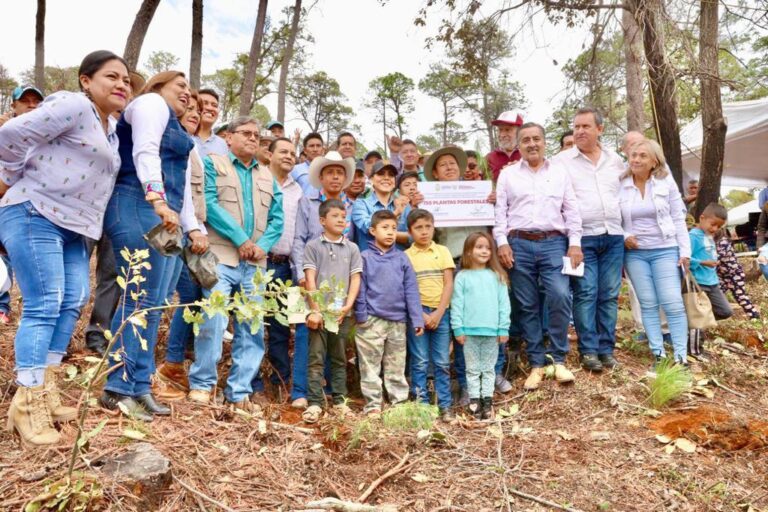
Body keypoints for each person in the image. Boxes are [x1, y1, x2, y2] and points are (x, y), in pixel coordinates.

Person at [0, 50, 130, 445]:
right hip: (35, 211)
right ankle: (27, 402)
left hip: (76, 228)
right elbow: (11, 134)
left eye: (127, 80)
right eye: (112, 76)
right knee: (45, 302)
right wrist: (8, 178)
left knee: (74, 299)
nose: (122, 84)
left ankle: (47, 388)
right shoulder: (73, 105)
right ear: (86, 80)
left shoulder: (110, 128)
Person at [100, 70, 209, 421]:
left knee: (156, 303)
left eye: (190, 90)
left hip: (167, 216)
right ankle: (117, 387)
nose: (188, 94)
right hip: (137, 202)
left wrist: (193, 228)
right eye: (181, 86)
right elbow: (145, 151)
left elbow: (183, 188)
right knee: (138, 298)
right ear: (159, 85)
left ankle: (139, 385)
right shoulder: (150, 103)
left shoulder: (180, 130)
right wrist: (156, 198)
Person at [187, 117, 284, 411]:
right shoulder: (214, 164)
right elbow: (209, 204)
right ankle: (203, 385)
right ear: (228, 137)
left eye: (256, 135)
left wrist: (261, 246)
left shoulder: (267, 175)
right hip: (221, 258)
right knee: (213, 320)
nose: (253, 138)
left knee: (252, 328)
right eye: (246, 133)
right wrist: (241, 239)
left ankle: (239, 391)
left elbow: (277, 219)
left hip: (255, 264)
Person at [494, 122, 583, 391]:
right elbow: (500, 213)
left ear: (544, 142)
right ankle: (536, 363)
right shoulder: (508, 175)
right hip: (518, 243)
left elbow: (572, 210)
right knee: (527, 304)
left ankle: (558, 358)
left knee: (559, 295)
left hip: (553, 243)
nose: (531, 144)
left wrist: (575, 243)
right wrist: (502, 243)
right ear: (519, 145)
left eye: (536, 139)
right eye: (526, 140)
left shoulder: (559, 172)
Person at [553, 108, 626, 372]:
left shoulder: (615, 160)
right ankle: (589, 351)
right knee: (585, 293)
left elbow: (626, 191)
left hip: (614, 236)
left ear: (600, 129)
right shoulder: (561, 161)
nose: (580, 131)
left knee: (609, 294)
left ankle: (606, 350)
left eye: (586, 126)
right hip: (581, 239)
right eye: (576, 127)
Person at [153, 90, 210, 401]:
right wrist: (191, 229)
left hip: (188, 231)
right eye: (190, 108)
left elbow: (192, 197)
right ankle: (152, 365)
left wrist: (196, 230)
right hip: (165, 226)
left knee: (192, 296)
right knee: (157, 294)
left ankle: (172, 362)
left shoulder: (192, 147)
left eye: (199, 110)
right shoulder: (168, 141)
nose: (195, 113)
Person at [290, 151, 356, 409]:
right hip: (306, 278)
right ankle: (300, 392)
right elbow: (298, 239)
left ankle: (326, 392)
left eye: (340, 172)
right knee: (305, 333)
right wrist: (300, 275)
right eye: (330, 172)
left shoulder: (350, 207)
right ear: (321, 176)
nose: (335, 177)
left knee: (333, 334)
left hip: (338, 285)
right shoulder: (307, 202)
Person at [620, 138, 691, 370]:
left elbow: (678, 217)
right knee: (648, 303)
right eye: (633, 155)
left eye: (643, 155)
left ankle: (681, 358)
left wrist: (685, 252)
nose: (636, 159)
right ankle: (658, 355)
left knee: (672, 302)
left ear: (654, 161)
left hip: (665, 249)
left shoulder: (665, 182)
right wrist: (624, 236)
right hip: (635, 254)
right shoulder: (621, 184)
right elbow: (612, 217)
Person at [354, 210, 424, 415]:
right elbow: (359, 288)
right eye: (385, 228)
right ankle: (373, 405)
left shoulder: (402, 258)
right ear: (372, 231)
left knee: (396, 365)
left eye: (394, 228)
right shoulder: (364, 257)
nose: (390, 232)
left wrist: (417, 318)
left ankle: (398, 404)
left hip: (397, 321)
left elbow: (411, 289)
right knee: (370, 365)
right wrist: (361, 316)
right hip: (371, 320)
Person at [301, 199, 363, 423]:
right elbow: (310, 279)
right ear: (322, 220)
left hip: (341, 313)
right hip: (319, 312)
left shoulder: (352, 248)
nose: (340, 220)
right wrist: (315, 310)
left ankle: (340, 402)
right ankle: (315, 403)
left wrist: (348, 305)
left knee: (339, 358)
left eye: (343, 217)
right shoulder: (313, 246)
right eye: (335, 216)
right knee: (316, 358)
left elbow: (355, 278)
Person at [252, 137, 301, 403]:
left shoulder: (298, 190)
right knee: (252, 324)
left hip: (285, 266)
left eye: (293, 153)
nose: (289, 156)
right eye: (283, 151)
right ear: (269, 155)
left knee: (281, 327)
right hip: (256, 262)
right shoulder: (256, 179)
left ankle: (280, 381)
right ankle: (252, 383)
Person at [451, 232, 511, 419]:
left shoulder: (497, 276)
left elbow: (504, 305)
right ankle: (474, 401)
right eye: (479, 247)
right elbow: (457, 304)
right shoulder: (462, 277)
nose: (484, 251)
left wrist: (503, 328)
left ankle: (487, 401)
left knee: (488, 368)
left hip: (492, 332)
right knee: (472, 368)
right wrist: (458, 328)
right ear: (468, 251)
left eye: (487, 248)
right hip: (469, 332)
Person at [0, 84, 46, 325]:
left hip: (37, 204)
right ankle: (2, 305)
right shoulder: (4, 131)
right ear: (14, 106)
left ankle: (34, 309)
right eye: (25, 101)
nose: (31, 105)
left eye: (36, 101)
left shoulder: (49, 134)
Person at [404, 209, 455, 421]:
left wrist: (439, 312)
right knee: (420, 361)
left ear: (434, 228)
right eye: (418, 228)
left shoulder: (442, 251)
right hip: (417, 314)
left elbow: (448, 283)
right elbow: (407, 289)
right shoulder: (406, 256)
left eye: (428, 227)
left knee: (442, 361)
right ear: (410, 232)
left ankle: (445, 405)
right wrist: (421, 315)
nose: (424, 231)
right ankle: (421, 405)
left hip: (441, 312)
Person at [688, 204, 733, 358]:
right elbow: (685, 258)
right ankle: (695, 351)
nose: (715, 229)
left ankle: (694, 323)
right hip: (698, 283)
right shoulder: (693, 236)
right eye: (713, 224)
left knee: (725, 311)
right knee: (697, 317)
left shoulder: (709, 235)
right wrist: (702, 262)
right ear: (702, 218)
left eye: (719, 226)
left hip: (712, 282)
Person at [352, 161, 410, 250]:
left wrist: (382, 233)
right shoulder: (361, 204)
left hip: (400, 258)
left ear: (395, 181)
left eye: (391, 175)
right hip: (370, 258)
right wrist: (395, 213)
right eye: (381, 174)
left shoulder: (403, 204)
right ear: (371, 179)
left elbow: (414, 236)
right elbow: (368, 227)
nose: (386, 178)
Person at [715, 229, 760, 319]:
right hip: (722, 275)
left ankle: (754, 315)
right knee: (717, 294)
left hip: (734, 275)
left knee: (740, 296)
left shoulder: (723, 242)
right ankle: (716, 314)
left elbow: (717, 258)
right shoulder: (712, 242)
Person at [485, 111, 523, 181]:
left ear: (520, 132)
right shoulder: (489, 158)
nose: (502, 135)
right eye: (500, 130)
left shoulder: (527, 155)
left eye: (507, 130)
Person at [195, 88, 228, 156]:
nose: (210, 108)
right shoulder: (183, 136)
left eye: (214, 105)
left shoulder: (223, 145)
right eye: (205, 103)